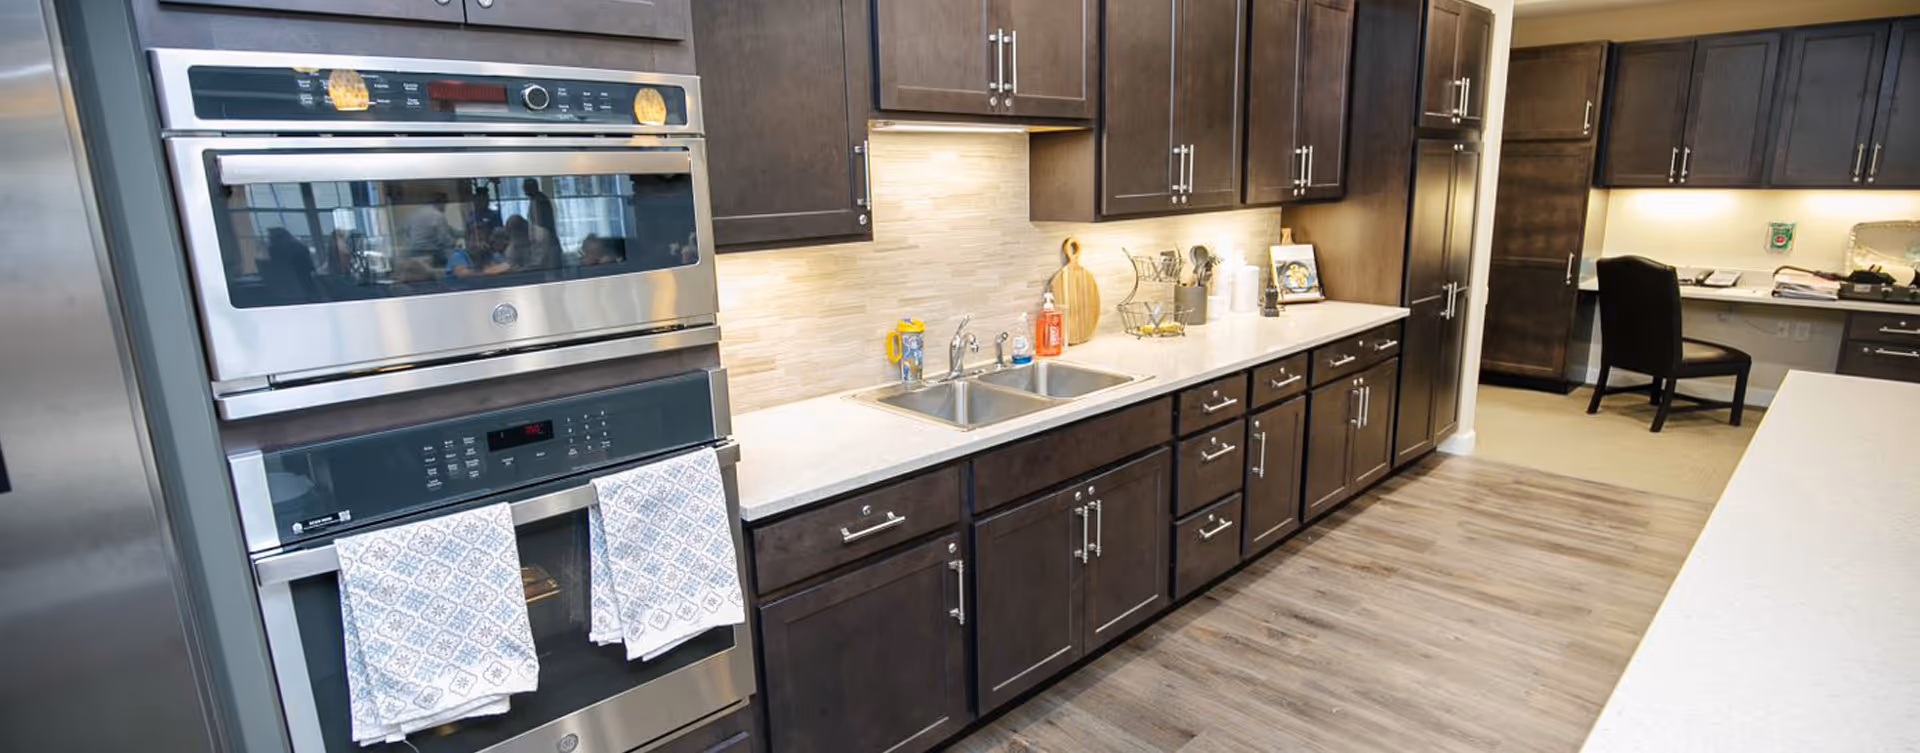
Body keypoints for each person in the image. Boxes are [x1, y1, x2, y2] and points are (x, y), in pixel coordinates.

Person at [402, 192, 457, 265]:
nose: (445, 207)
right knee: (454, 261)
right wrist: (454, 243)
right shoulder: (437, 215)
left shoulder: (416, 213)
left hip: (414, 252)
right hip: (431, 253)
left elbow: (406, 231)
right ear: (441, 203)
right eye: (445, 205)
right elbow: (444, 238)